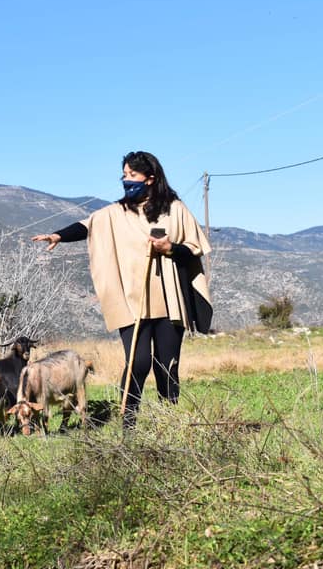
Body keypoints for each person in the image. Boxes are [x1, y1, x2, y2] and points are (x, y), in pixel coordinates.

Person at [31, 151, 212, 429]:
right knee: (138, 363)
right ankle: (128, 425)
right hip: (132, 302)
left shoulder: (174, 209)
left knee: (167, 365)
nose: (126, 180)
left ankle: (170, 423)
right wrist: (58, 235)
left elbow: (194, 248)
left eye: (132, 175)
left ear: (150, 179)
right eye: (124, 175)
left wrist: (170, 249)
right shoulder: (116, 213)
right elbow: (87, 225)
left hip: (169, 301)